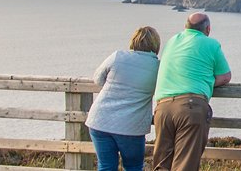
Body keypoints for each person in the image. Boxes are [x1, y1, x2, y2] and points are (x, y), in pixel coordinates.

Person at [151, 12, 231, 171]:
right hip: (190, 108)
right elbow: (225, 76)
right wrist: (204, 82)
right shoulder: (211, 44)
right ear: (208, 29)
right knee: (185, 164)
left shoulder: (172, 41)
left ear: (185, 28)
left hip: (163, 108)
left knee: (161, 164)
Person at [86, 26, 161, 171]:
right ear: (156, 45)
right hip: (131, 126)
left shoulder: (117, 56)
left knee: (106, 166)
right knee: (133, 167)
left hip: (100, 120)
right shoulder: (158, 67)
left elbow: (97, 79)